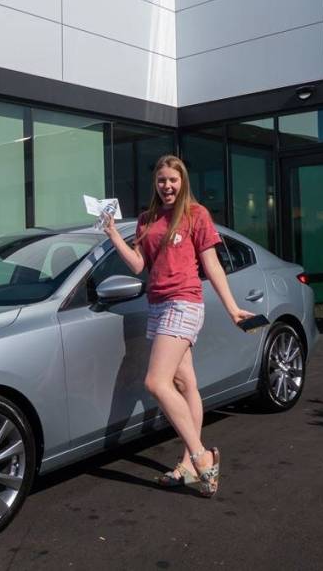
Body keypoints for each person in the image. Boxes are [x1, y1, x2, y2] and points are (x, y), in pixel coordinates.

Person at [103, 154, 253, 497]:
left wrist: (231, 308)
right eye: (161, 181)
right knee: (185, 381)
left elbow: (211, 265)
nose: (167, 186)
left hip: (184, 301)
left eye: (173, 180)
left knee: (156, 381)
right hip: (157, 304)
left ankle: (201, 459)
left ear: (182, 181)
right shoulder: (147, 219)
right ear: (155, 184)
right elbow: (140, 264)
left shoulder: (196, 215)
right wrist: (113, 233)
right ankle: (187, 465)